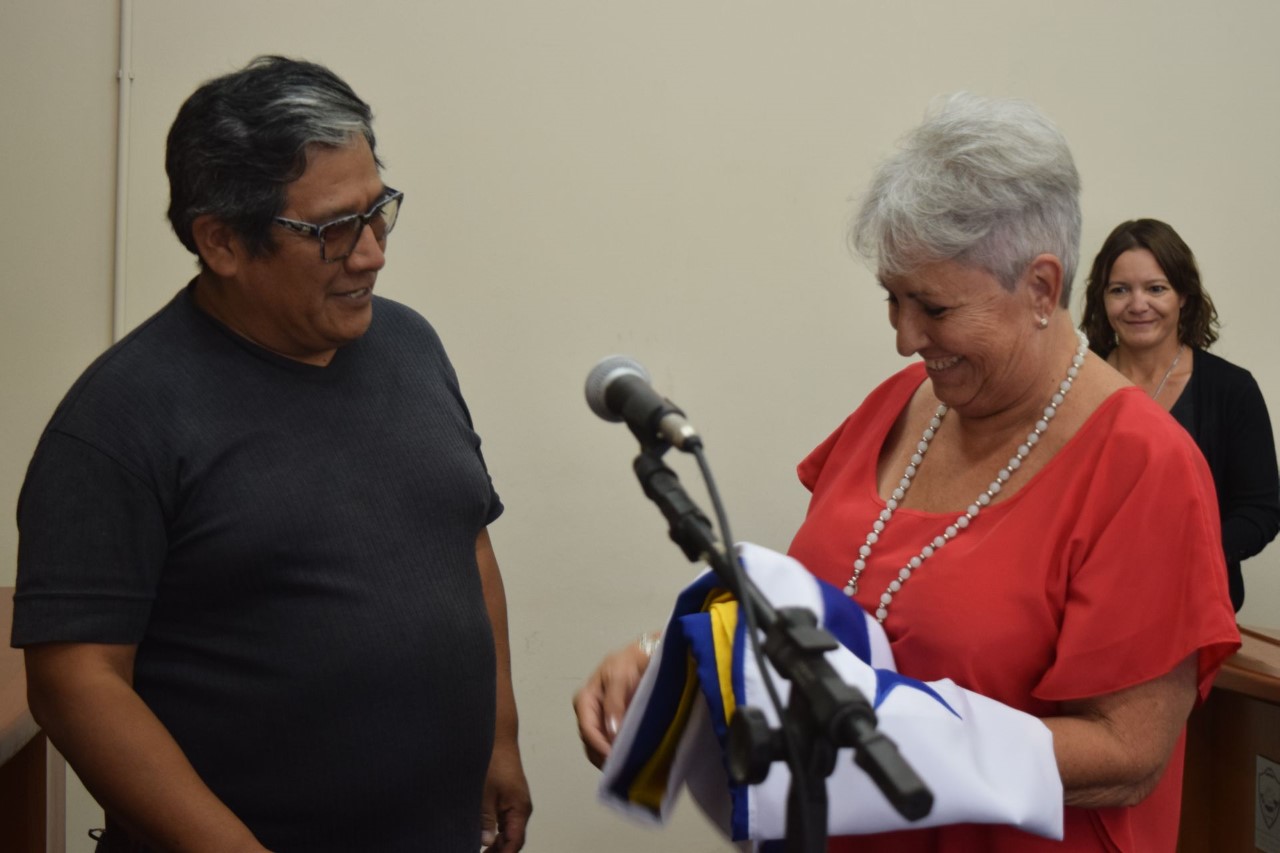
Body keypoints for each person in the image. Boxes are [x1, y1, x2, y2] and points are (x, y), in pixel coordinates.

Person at [574, 93, 1241, 850]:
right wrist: (677, 667)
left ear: (1042, 287)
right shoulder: (900, 407)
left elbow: (1129, 755)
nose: (904, 339)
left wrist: (902, 736)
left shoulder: (1144, 467)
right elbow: (810, 621)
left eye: (933, 307)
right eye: (892, 299)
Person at [12, 56, 530, 853]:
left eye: (378, 211)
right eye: (331, 230)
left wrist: (499, 732)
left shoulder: (408, 344)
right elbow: (76, 683)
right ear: (219, 240)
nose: (371, 254)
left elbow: (466, 544)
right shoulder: (119, 419)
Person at [1081, 218, 1280, 610]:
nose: (1138, 305)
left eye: (1156, 289)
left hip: (1194, 607)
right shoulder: (1073, 385)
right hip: (1088, 603)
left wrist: (1190, 558)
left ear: (1183, 296)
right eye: (1120, 290)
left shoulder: (1232, 390)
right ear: (1102, 300)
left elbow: (1261, 510)